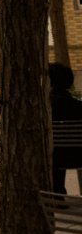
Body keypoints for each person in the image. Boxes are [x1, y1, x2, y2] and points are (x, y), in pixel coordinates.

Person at [50, 63, 82, 194]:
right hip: (79, 156)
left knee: (56, 150)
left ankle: (58, 194)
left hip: (53, 157)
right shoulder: (78, 107)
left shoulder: (43, 108)